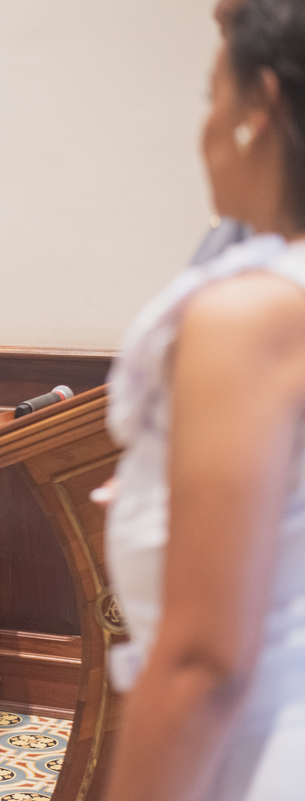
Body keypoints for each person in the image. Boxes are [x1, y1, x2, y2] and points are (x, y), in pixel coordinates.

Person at [103, 1, 305, 799]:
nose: (207, 128)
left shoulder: (250, 314)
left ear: (259, 106)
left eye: (211, 95)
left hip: (252, 751)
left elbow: (203, 662)